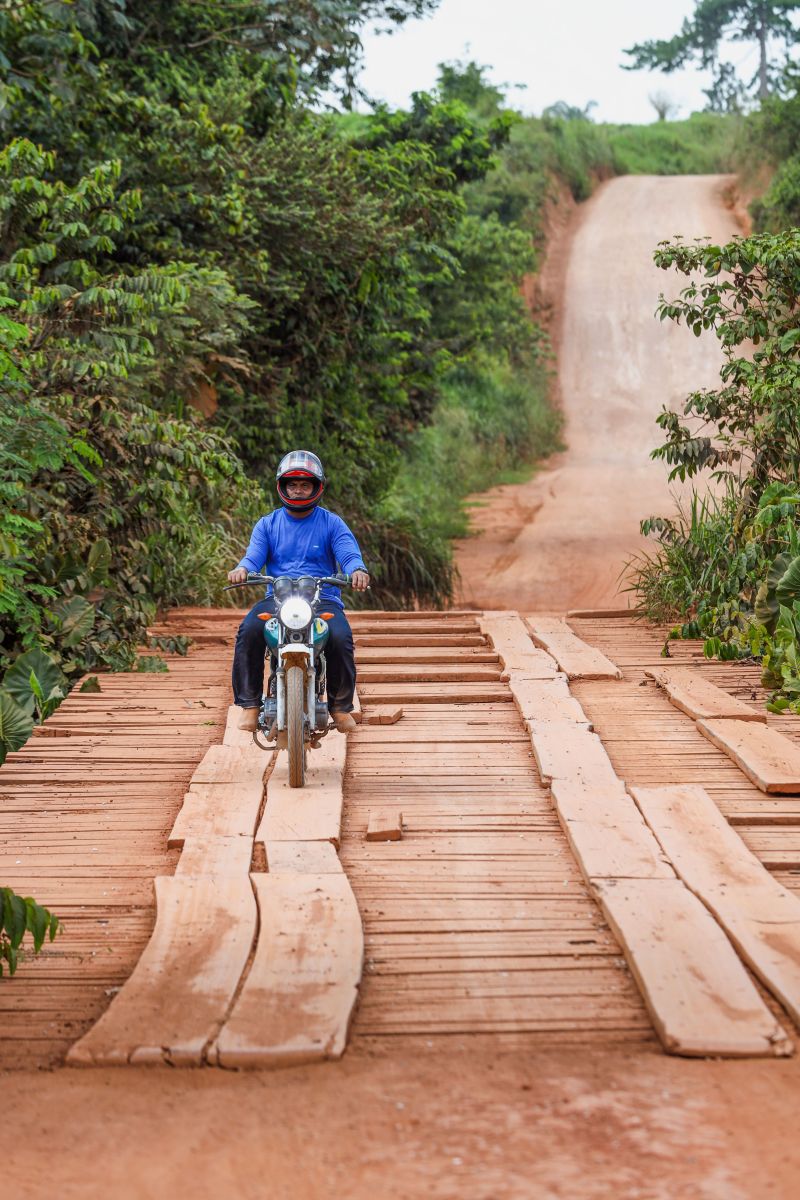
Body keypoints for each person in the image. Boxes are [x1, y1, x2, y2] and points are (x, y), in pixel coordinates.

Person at [229, 450, 370, 734]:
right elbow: (253, 558)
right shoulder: (267, 524)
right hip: (278, 599)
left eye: (305, 484)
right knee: (249, 631)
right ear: (282, 486)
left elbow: (349, 553)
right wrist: (242, 569)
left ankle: (340, 708)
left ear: (317, 487)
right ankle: (250, 705)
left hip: (322, 600)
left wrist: (357, 570)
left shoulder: (332, 523)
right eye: (292, 484)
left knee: (341, 637)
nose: (298, 489)